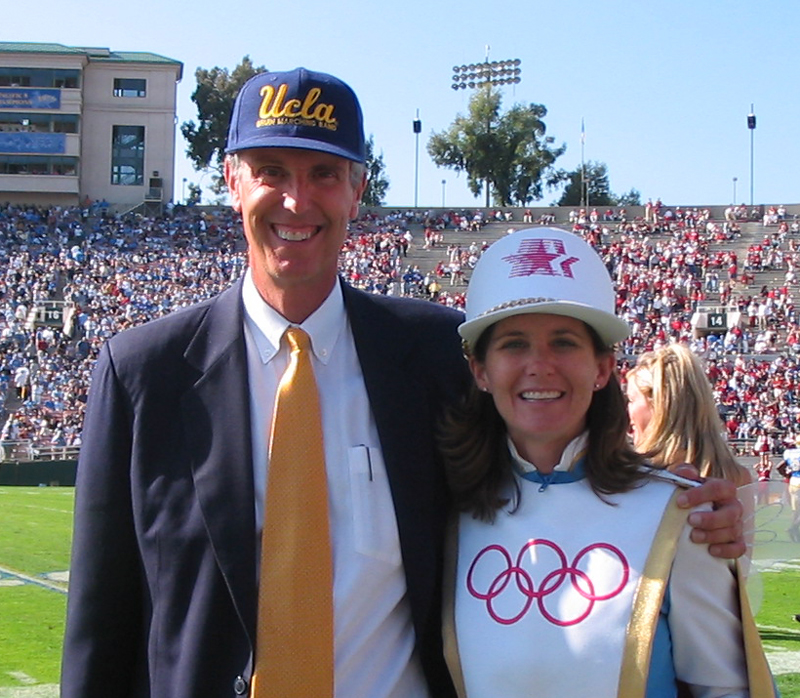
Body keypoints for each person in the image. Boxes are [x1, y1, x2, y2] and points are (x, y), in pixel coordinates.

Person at [61, 69, 745, 698]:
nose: (297, 199)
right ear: (233, 182)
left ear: (358, 189)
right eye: (271, 171)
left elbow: (550, 458)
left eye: (324, 173)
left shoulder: (437, 357)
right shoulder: (141, 373)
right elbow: (101, 628)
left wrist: (687, 509)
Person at [439, 228, 773, 697]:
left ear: (602, 369)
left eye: (565, 342)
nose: (540, 364)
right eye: (514, 343)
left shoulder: (680, 515)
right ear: (481, 371)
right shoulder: (447, 514)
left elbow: (726, 689)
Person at [625, 343, 752, 486]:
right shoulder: (736, 476)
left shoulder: (633, 478)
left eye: (631, 400)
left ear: (660, 405)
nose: (626, 410)